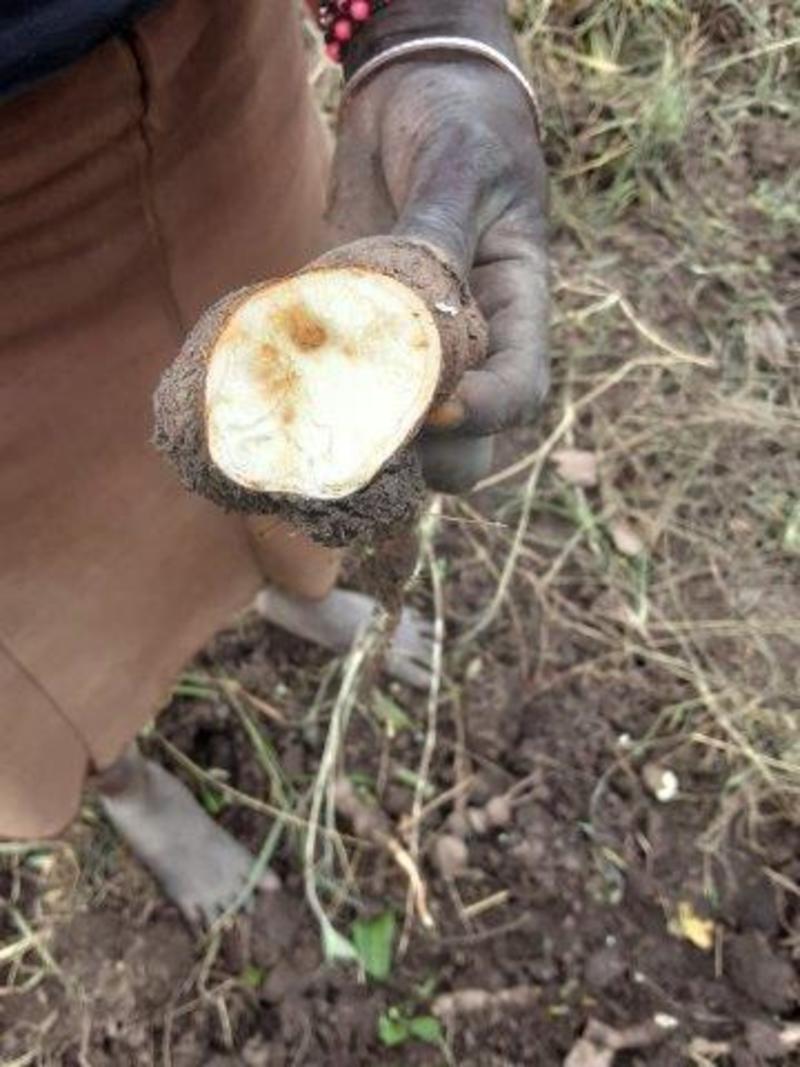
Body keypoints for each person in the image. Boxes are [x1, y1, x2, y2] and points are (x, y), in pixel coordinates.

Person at [0, 0, 548, 926]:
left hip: (197, 76)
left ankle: (295, 587)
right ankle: (119, 774)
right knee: (33, 604)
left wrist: (420, 26)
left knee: (304, 427)